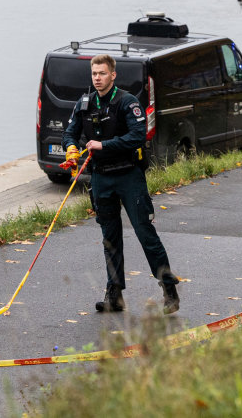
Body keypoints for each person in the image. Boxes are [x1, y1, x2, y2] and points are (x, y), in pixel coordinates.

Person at [62, 54, 180, 314]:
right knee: (109, 239)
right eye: (94, 74)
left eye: (102, 73)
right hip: (101, 178)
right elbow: (70, 132)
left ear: (113, 75)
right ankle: (114, 295)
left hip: (129, 176)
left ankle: (169, 291)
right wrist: (71, 149)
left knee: (145, 234)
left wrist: (103, 145)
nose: (97, 78)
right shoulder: (84, 104)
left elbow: (137, 137)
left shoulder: (128, 102)